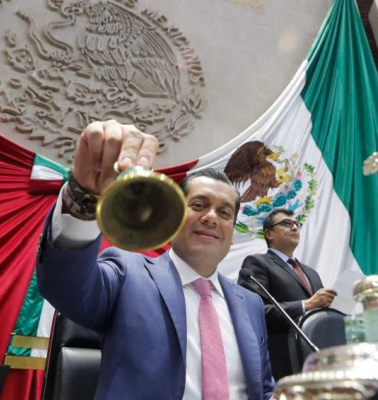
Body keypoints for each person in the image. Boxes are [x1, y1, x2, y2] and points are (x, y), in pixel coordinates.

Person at [36, 120, 275, 399]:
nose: (211, 217)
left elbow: (264, 388)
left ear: (232, 233)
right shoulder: (127, 274)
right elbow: (64, 286)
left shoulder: (252, 304)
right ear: (172, 216)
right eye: (198, 205)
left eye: (224, 214)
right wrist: (84, 197)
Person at [238, 208, 337, 381]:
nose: (294, 228)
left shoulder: (311, 273)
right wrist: (306, 304)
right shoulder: (257, 263)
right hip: (284, 364)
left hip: (320, 360)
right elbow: (254, 313)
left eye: (296, 224)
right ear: (269, 233)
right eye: (286, 223)